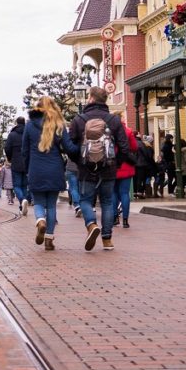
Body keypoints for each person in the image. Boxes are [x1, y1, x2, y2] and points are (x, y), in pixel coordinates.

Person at [70, 86, 131, 252]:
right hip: (108, 168)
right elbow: (125, 148)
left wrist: (79, 161)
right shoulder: (113, 120)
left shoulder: (79, 120)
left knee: (85, 200)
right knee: (107, 202)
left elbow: (70, 146)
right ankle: (107, 240)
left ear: (90, 98)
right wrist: (116, 163)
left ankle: (91, 224)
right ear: (105, 100)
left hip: (86, 168)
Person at [21, 96, 81, 251]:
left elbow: (24, 151)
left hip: (36, 168)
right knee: (52, 206)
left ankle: (40, 221)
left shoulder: (29, 126)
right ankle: (49, 239)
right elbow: (70, 148)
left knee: (39, 203)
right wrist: (81, 145)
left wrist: (28, 169)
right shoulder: (59, 125)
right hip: (54, 169)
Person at [113, 126, 138, 228]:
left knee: (113, 193)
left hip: (113, 166)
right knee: (124, 193)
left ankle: (115, 218)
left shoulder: (109, 130)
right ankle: (125, 220)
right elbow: (134, 147)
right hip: (126, 165)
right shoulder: (128, 131)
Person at [4, 117, 29, 214]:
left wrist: (10, 158)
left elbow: (7, 148)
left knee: (17, 185)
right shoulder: (28, 133)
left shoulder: (12, 135)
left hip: (16, 162)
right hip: (27, 162)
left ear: (16, 123)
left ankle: (22, 200)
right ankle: (21, 206)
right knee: (24, 185)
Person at [134, 133, 156, 199]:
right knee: (141, 178)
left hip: (135, 163)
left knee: (136, 178)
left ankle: (135, 192)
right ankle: (140, 192)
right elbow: (148, 156)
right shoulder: (142, 144)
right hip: (142, 164)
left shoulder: (133, 143)